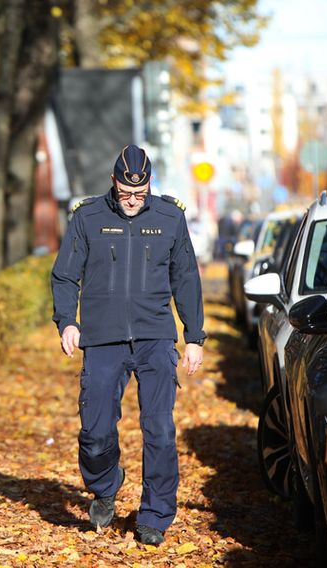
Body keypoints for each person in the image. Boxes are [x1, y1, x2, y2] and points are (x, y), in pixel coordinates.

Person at [50, 145, 205, 546]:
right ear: (113, 183)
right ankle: (105, 483)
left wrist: (194, 336)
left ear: (150, 184)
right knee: (96, 430)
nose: (133, 201)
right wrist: (67, 321)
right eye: (125, 193)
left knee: (159, 430)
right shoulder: (88, 217)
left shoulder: (171, 217)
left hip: (155, 337)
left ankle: (154, 514)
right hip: (102, 339)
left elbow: (186, 277)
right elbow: (65, 275)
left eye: (140, 193)